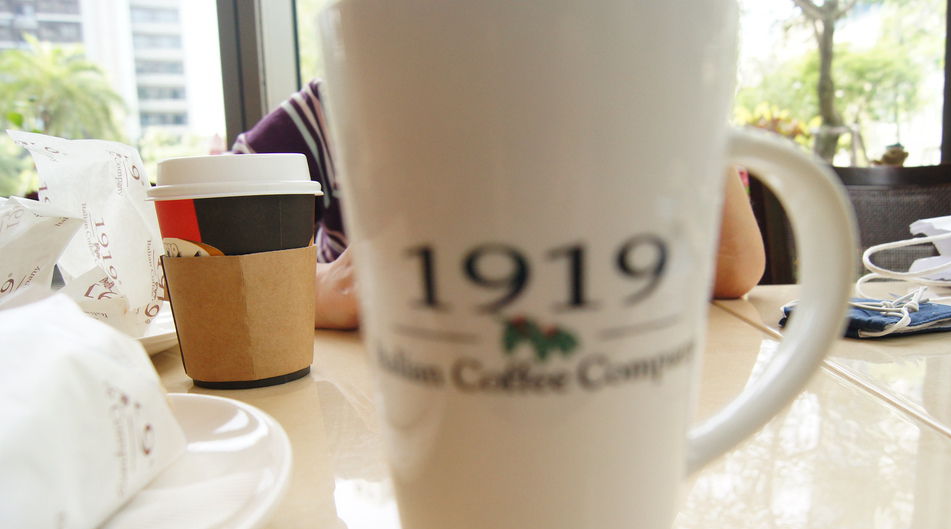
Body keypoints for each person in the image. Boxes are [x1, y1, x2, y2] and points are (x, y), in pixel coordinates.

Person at [233, 79, 765, 329]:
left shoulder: (610, 104)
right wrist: (319, 286)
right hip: (381, 409)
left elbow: (731, 266)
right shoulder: (336, 109)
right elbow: (213, 253)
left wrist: (685, 85)